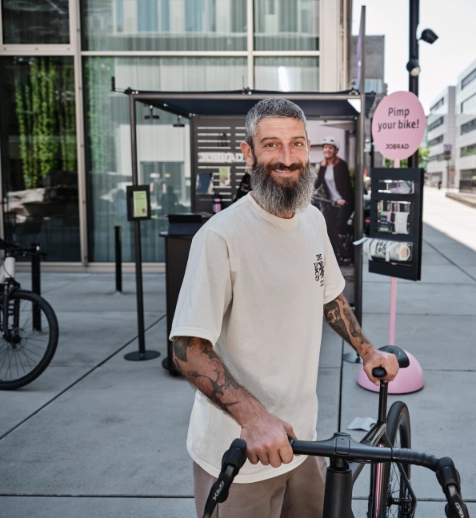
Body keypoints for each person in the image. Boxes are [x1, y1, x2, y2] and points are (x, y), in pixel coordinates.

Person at [169, 98, 399, 518]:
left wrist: (367, 350)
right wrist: (255, 418)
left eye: (297, 144)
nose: (287, 158)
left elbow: (329, 295)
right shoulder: (220, 236)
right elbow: (187, 349)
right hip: (239, 452)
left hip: (304, 441)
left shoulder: (312, 219)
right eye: (271, 144)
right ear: (248, 152)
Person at [314, 136, 353, 263]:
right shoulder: (323, 166)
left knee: (338, 226)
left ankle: (344, 253)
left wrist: (344, 200)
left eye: (330, 148)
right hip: (332, 202)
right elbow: (318, 183)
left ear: (335, 150)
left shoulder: (341, 165)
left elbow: (347, 185)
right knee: (327, 226)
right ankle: (336, 253)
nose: (327, 150)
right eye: (325, 147)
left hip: (343, 202)